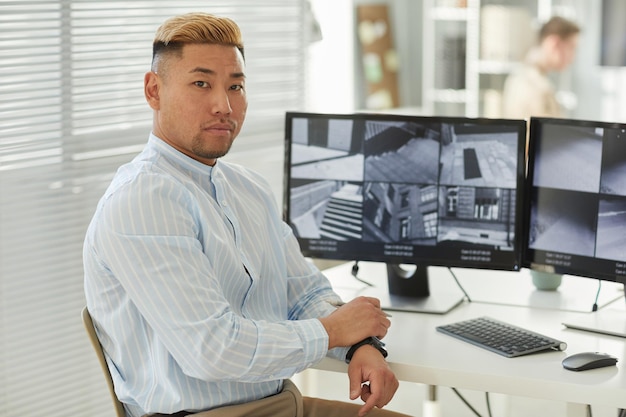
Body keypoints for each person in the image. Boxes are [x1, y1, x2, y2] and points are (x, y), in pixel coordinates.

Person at [83, 12, 410, 417]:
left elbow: (304, 293)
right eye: (201, 83)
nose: (224, 105)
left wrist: (360, 345)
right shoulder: (143, 201)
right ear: (154, 91)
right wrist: (333, 331)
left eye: (235, 86)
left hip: (280, 404)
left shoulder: (248, 188)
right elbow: (213, 350)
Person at [502, 16, 581, 120]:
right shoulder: (534, 86)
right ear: (554, 44)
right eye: (571, 47)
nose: (573, 57)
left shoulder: (525, 76)